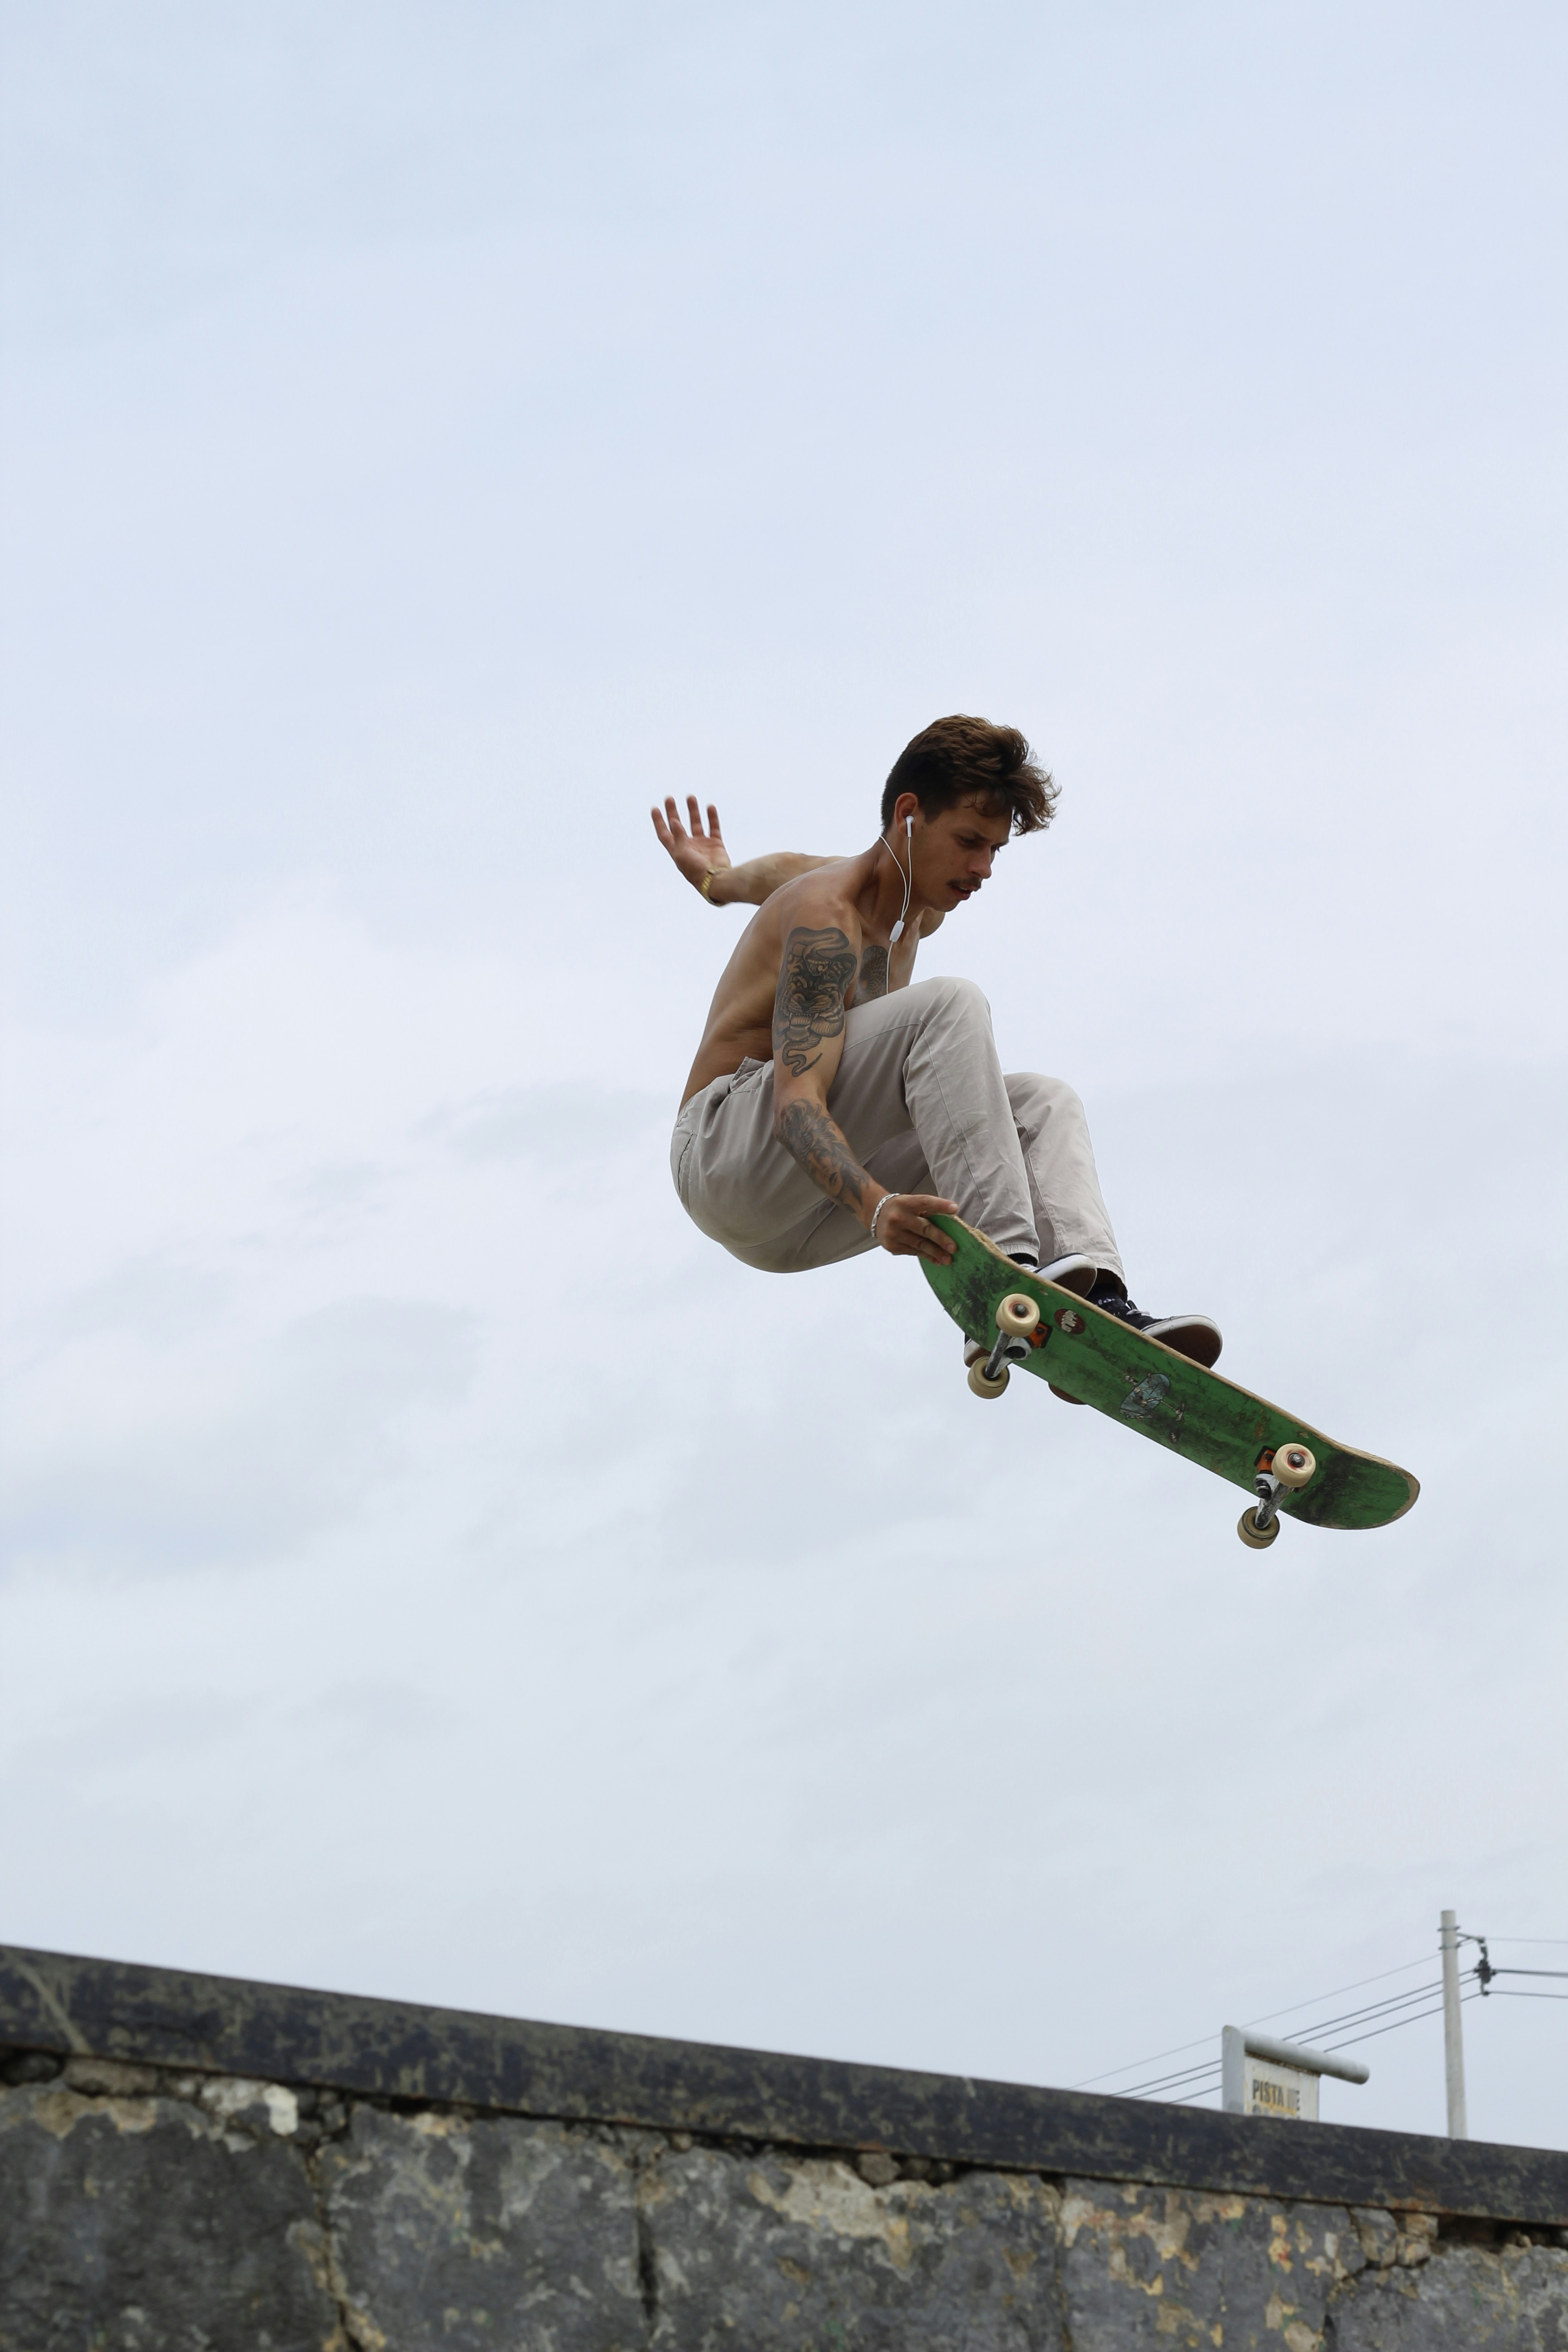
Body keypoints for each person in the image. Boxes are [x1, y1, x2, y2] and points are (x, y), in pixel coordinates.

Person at [652, 714, 1220, 1368]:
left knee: (1041, 1104)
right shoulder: (826, 919)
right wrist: (876, 1206)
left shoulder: (906, 908)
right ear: (910, 814)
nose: (982, 869)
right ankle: (1005, 1278)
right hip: (727, 1157)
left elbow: (772, 872)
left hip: (792, 1228)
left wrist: (715, 881)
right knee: (950, 1005)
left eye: (995, 852)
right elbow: (795, 1102)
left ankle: (1098, 1306)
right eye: (969, 841)